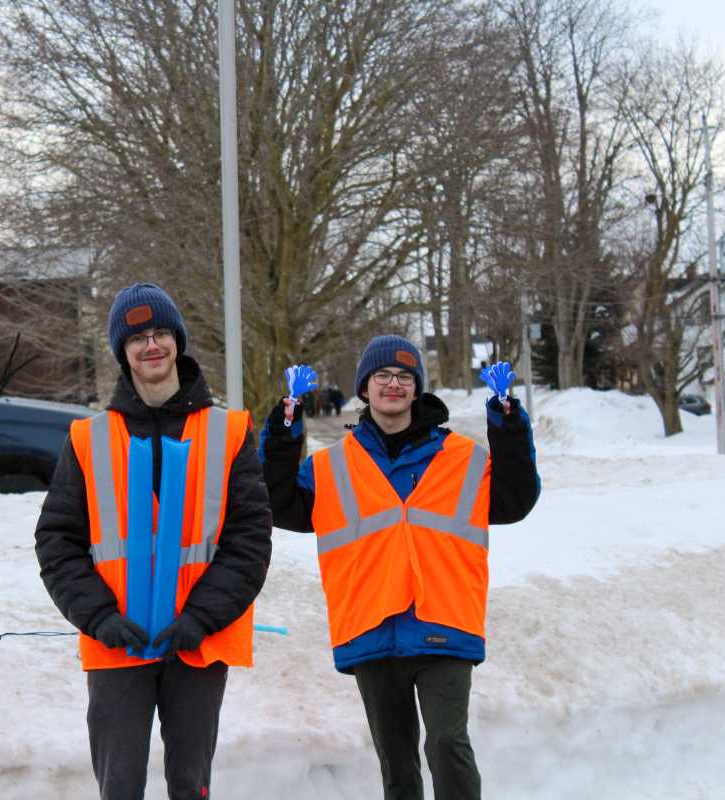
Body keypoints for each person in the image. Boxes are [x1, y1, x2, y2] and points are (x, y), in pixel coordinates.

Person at [259, 335, 540, 800]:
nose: (393, 384)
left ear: (417, 388)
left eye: (405, 376)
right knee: (396, 761)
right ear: (364, 388)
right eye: (383, 375)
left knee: (447, 742)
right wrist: (286, 425)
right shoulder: (332, 466)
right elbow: (276, 499)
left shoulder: (462, 458)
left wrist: (507, 419)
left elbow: (515, 498)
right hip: (370, 624)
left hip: (445, 621)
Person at [34, 282, 273, 800]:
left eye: (161, 332)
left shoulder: (230, 432)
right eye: (137, 337)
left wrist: (201, 617)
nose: (151, 345)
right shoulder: (88, 439)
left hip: (198, 641)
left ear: (177, 341)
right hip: (117, 642)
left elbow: (249, 540)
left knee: (190, 785)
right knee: (119, 787)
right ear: (122, 351)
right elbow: (57, 542)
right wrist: (99, 618)